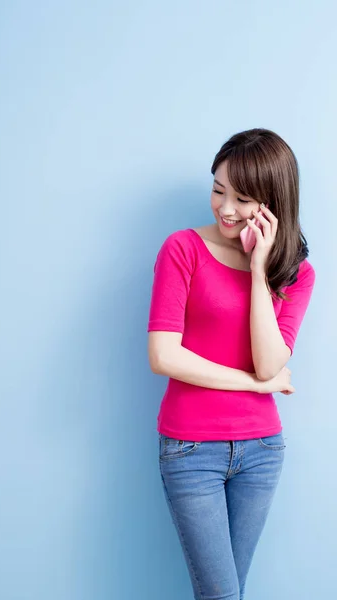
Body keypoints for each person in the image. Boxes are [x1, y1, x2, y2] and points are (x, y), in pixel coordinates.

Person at [147, 128, 316, 600]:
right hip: (190, 450)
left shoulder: (295, 274)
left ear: (271, 201)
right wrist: (254, 384)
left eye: (241, 198)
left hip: (262, 452)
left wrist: (260, 269)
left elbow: (269, 365)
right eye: (219, 190)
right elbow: (163, 355)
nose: (225, 208)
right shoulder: (183, 249)